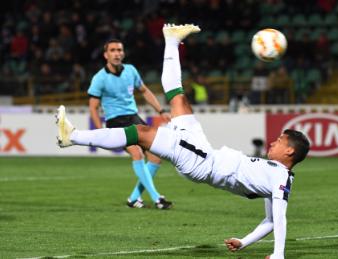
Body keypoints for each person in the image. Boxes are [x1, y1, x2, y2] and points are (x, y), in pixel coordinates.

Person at [56, 24, 310, 259]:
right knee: (178, 98)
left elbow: (280, 216)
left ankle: (73, 136)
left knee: (140, 133)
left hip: (203, 163)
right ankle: (171, 40)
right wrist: (244, 242)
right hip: (204, 150)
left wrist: (279, 254)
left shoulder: (280, 179)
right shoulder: (274, 176)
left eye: (279, 141)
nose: (273, 143)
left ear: (289, 151)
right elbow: (269, 222)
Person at [87, 39, 172, 209]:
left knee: (156, 157)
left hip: (134, 118)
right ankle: (157, 198)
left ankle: (134, 198)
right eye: (113, 50)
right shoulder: (99, 78)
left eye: (119, 50)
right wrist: (99, 133)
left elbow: (145, 91)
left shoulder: (131, 71)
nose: (117, 53)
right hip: (116, 122)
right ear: (106, 55)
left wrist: (161, 111)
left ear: (123, 53)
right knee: (137, 153)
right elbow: (93, 107)